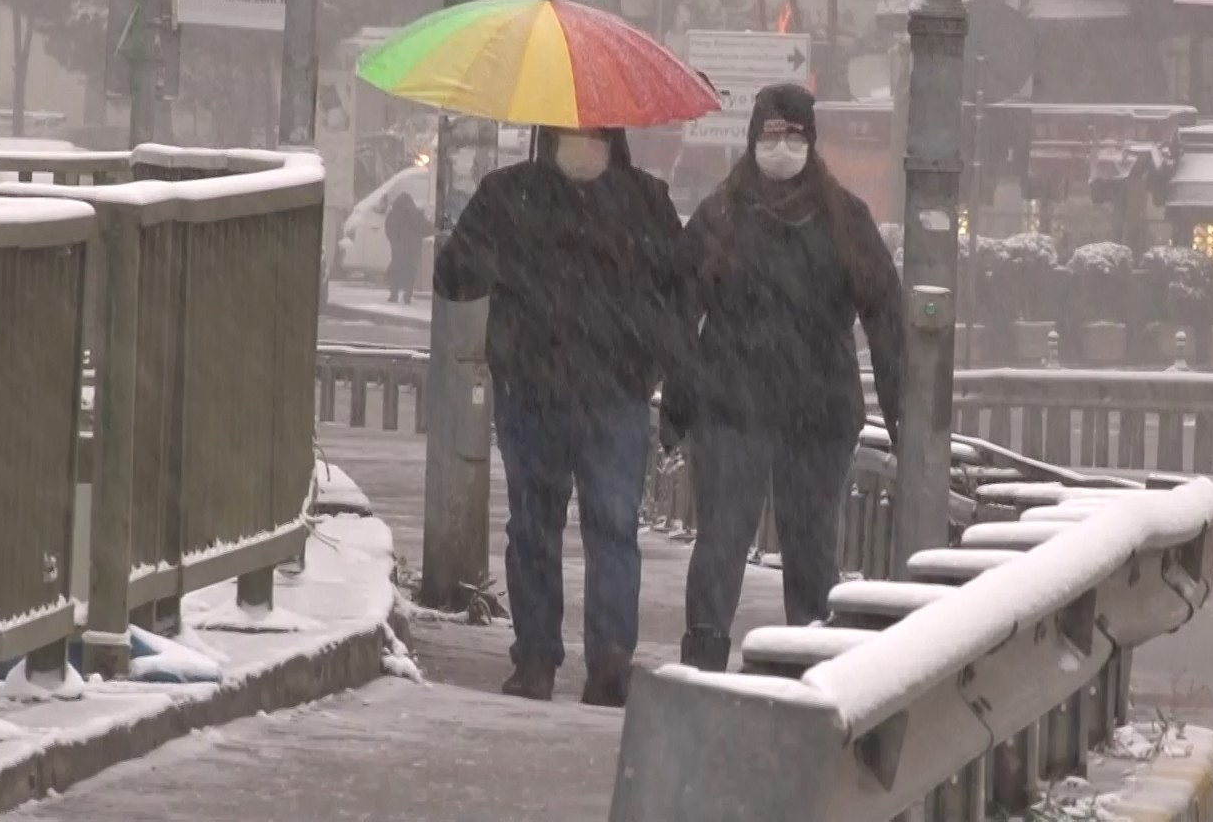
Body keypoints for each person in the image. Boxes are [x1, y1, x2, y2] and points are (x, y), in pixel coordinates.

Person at [433, 126, 683, 706]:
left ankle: (592, 661)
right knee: (550, 528)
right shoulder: (510, 196)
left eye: (590, 130)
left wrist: (669, 375)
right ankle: (559, 657)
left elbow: (677, 294)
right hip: (544, 392)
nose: (580, 141)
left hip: (600, 393)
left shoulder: (640, 201)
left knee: (595, 527)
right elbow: (454, 277)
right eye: (569, 129)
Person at [663, 84, 905, 673]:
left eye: (793, 135)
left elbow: (887, 316)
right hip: (732, 407)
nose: (781, 146)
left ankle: (812, 662)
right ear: (752, 139)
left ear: (811, 142)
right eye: (771, 134)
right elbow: (675, 311)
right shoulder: (719, 216)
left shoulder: (845, 220)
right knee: (722, 539)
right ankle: (704, 658)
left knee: (812, 547)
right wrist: (679, 400)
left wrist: (900, 411)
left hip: (816, 415)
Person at [384, 192, 430, 303]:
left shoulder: (394, 214)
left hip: (398, 250)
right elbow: (426, 228)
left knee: (396, 270)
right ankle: (407, 295)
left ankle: (394, 295)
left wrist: (394, 242)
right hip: (412, 250)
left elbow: (389, 229)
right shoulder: (417, 214)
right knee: (410, 271)